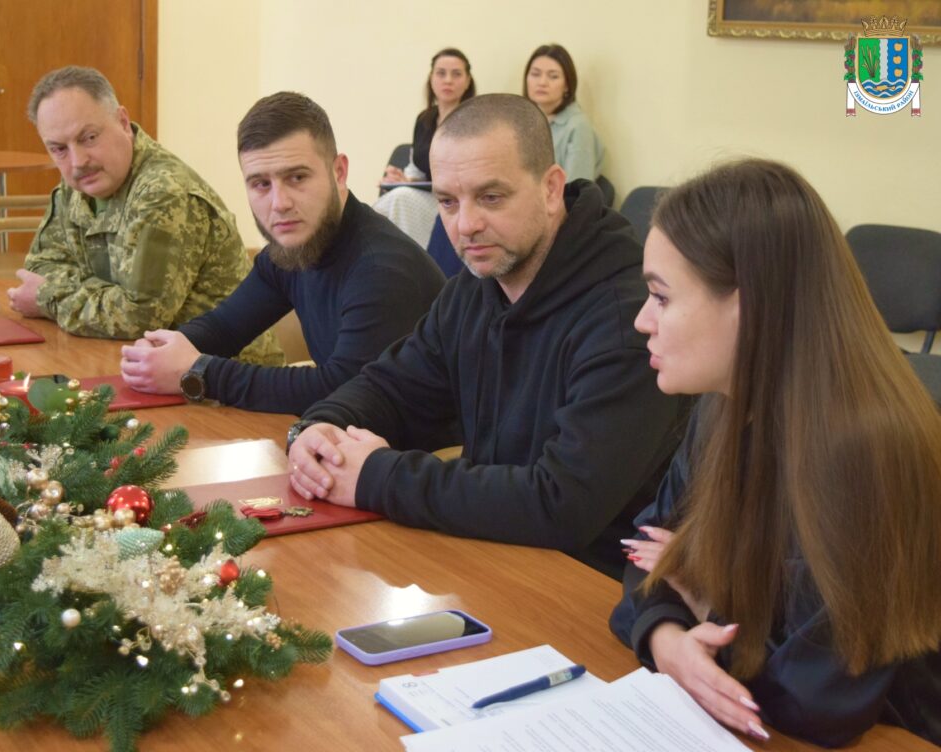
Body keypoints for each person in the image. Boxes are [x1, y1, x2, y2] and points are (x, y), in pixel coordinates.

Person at [610, 159, 941, 746]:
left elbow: (817, 703)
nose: (643, 320)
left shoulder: (865, 449)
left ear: (749, 303)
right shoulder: (723, 405)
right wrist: (670, 643)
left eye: (661, 297)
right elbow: (644, 563)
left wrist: (707, 603)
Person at [288, 94, 684, 578]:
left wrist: (377, 477)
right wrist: (319, 430)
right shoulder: (475, 288)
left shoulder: (627, 320)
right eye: (449, 203)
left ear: (551, 188)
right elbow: (392, 388)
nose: (466, 225)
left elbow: (561, 505)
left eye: (491, 197)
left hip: (595, 592)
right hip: (489, 558)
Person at [119, 92, 445, 416]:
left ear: (339, 172)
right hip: (343, 443)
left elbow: (342, 389)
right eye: (261, 184)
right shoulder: (292, 249)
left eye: (297, 177)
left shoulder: (381, 269)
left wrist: (199, 372)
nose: (279, 203)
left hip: (431, 455)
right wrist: (162, 351)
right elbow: (225, 328)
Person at [7, 66, 280, 365]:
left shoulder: (163, 192)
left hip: (222, 378)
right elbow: (40, 266)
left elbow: (138, 316)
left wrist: (48, 296)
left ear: (122, 122)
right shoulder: (80, 183)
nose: (77, 161)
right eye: (59, 149)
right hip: (136, 363)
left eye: (89, 137)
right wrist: (110, 297)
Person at [374, 48, 476, 249]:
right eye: (441, 73)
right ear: (431, 78)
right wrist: (402, 179)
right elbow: (416, 170)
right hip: (423, 194)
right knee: (397, 195)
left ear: (467, 81)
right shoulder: (424, 119)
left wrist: (410, 185)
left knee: (400, 198)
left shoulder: (473, 121)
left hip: (453, 201)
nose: (448, 80)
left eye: (456, 74)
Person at [523, 44, 604, 183]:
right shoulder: (523, 120)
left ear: (567, 85)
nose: (542, 82)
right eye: (535, 74)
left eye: (553, 76)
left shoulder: (578, 126)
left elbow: (575, 190)